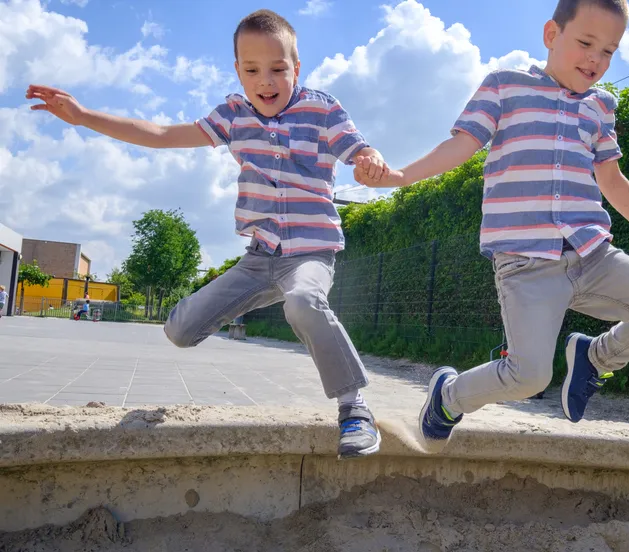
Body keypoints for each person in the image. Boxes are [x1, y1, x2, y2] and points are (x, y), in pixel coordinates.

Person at [27, 9, 389, 459]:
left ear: (298, 67)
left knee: (302, 300)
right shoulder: (233, 116)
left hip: (310, 254)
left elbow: (357, 147)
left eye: (279, 69)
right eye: (253, 70)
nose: (266, 81)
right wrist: (84, 117)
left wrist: (369, 159)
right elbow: (161, 133)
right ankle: (242, 300)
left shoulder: (322, 108)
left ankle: (354, 409)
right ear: (237, 71)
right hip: (260, 259)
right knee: (178, 331)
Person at [353, 0, 629, 443]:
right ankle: (448, 396)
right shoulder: (504, 86)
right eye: (586, 43)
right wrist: (399, 177)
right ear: (552, 35)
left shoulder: (601, 107)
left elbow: (610, 176)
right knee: (529, 376)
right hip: (525, 264)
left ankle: (594, 356)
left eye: (609, 50)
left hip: (593, 254)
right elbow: (460, 145)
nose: (596, 58)